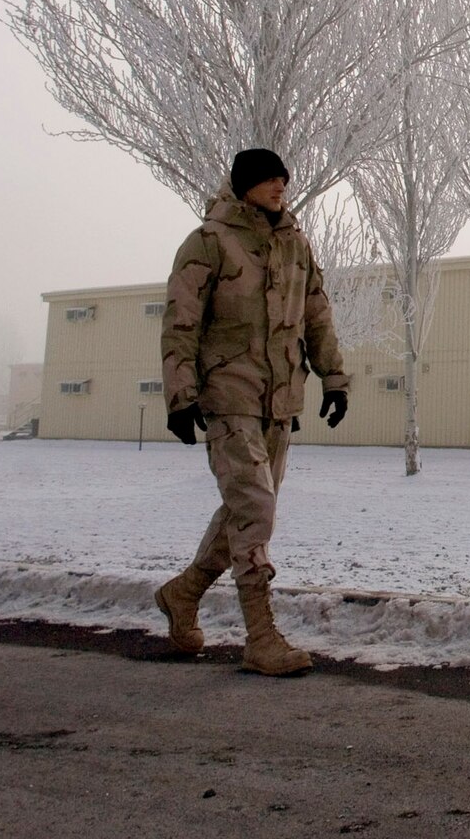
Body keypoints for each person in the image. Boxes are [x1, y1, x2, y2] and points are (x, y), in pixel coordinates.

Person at [152, 148, 351, 676]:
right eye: (269, 179)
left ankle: (183, 593)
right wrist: (181, 395)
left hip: (280, 401)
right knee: (256, 509)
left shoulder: (296, 245)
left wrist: (334, 376)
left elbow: (317, 313)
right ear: (244, 186)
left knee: (245, 514)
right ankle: (261, 637)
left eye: (283, 178)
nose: (280, 186)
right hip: (228, 394)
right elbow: (181, 323)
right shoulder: (208, 243)